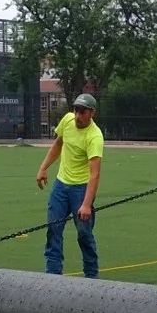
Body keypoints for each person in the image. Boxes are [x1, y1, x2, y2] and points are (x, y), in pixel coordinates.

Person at [36, 93, 104, 278]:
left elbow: (95, 174)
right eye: (76, 110)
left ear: (92, 113)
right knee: (53, 229)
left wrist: (86, 204)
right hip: (61, 185)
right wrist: (43, 168)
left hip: (81, 189)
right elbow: (58, 144)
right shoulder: (67, 121)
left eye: (83, 112)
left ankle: (91, 277)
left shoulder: (94, 137)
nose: (78, 115)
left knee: (84, 234)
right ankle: (53, 274)